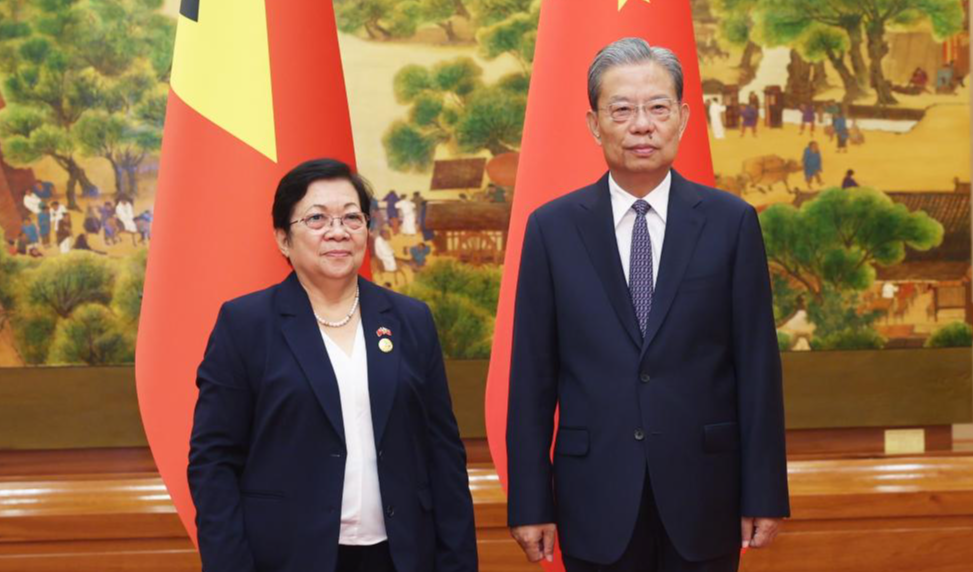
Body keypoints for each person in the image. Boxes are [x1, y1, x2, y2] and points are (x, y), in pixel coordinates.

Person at [506, 38, 789, 572]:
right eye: (622, 110)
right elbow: (531, 378)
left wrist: (765, 492)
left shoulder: (730, 224)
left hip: (706, 494)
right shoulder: (552, 229)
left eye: (658, 108)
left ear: (682, 118)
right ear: (595, 124)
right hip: (593, 497)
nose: (642, 125)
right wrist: (529, 502)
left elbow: (757, 368)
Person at [188, 159, 477, 572]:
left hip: (401, 555)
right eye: (317, 218)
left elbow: (443, 453)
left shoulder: (410, 320)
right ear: (284, 239)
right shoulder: (246, 324)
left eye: (351, 217)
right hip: (288, 556)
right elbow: (213, 461)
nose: (337, 231)